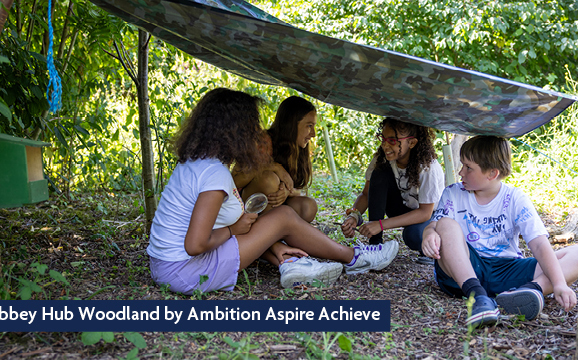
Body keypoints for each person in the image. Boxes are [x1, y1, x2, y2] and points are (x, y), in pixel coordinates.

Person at [147, 88, 398, 294]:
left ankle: (290, 262)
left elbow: (211, 226)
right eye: (251, 127)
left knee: (280, 220)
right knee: (283, 218)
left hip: (166, 265)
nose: (257, 133)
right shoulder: (214, 175)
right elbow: (196, 243)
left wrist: (274, 247)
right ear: (236, 132)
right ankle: (355, 258)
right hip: (185, 271)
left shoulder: (195, 162)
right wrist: (234, 230)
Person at [422, 136, 578, 327]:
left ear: (492, 173)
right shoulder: (453, 193)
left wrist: (559, 284)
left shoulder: (515, 198)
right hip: (464, 270)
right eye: (462, 165)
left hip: (506, 270)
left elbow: (539, 244)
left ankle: (529, 291)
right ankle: (479, 297)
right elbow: (435, 224)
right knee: (445, 224)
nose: (461, 172)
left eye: (468, 167)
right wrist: (429, 233)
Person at [341, 118, 443, 265]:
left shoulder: (428, 167)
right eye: (382, 138)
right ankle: (375, 244)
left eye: (392, 140)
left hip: (428, 216)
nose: (385, 145)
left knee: (413, 235)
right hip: (401, 207)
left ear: (412, 143)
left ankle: (430, 247)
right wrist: (355, 216)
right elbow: (366, 194)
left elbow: (425, 212)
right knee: (379, 171)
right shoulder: (382, 158)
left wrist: (381, 224)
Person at [233, 96, 320, 222]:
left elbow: (299, 190)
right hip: (246, 206)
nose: (313, 133)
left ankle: (275, 234)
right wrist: (273, 167)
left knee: (308, 206)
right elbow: (234, 182)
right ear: (292, 124)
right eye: (309, 126)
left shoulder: (300, 148)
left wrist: (286, 191)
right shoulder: (262, 141)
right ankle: (263, 236)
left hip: (276, 208)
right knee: (270, 180)